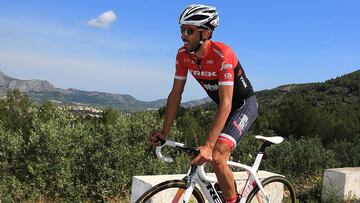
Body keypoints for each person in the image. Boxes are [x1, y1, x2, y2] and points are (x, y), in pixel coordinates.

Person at [148, 4, 258, 203]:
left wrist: (208, 145)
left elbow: (226, 103)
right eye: (181, 30)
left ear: (205, 33)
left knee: (217, 155)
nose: (183, 36)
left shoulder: (222, 54)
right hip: (226, 108)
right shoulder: (183, 55)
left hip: (243, 105)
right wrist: (164, 132)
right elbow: (175, 95)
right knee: (210, 156)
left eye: (189, 31)